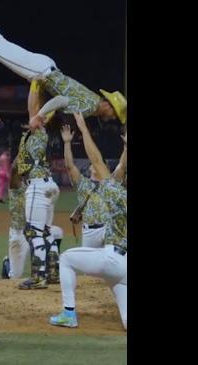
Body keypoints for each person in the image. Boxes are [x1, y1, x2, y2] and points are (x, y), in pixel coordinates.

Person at [0, 1, 127, 124]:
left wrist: (45, 114)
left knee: (0, 46)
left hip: (46, 68)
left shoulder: (93, 102)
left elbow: (60, 100)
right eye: (115, 114)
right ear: (108, 105)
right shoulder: (90, 107)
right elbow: (61, 100)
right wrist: (40, 116)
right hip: (41, 71)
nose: (113, 118)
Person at [49, 112, 127, 330]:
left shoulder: (114, 191)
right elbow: (75, 165)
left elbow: (98, 160)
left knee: (66, 259)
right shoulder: (106, 188)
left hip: (112, 253)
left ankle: (68, 313)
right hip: (121, 261)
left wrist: (83, 129)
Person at [61, 125, 127, 248]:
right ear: (90, 168)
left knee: (111, 264)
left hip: (109, 229)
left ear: (106, 169)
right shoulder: (83, 184)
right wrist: (67, 143)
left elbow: (122, 165)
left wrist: (126, 147)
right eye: (93, 164)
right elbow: (70, 166)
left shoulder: (111, 182)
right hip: (89, 232)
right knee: (89, 267)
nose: (96, 166)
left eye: (103, 165)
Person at [2, 160, 63, 280]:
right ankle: (6, 264)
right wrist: (23, 153)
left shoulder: (41, 188)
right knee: (16, 276)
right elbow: (14, 169)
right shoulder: (17, 188)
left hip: (37, 233)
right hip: (19, 235)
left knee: (57, 232)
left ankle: (49, 264)